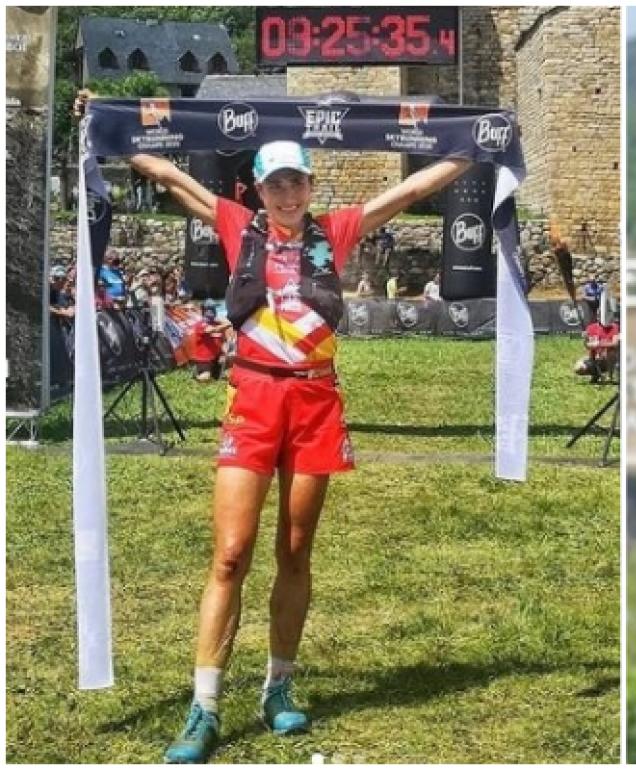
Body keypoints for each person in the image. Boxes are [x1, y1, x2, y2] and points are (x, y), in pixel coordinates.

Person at [75, 90, 471, 763]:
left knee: (294, 550)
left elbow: (408, 191)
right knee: (230, 553)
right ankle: (203, 707)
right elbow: (168, 176)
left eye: (297, 181)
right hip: (255, 400)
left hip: (316, 404)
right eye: (275, 183)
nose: (287, 194)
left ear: (311, 186)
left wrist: (479, 146)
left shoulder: (336, 231)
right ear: (257, 189)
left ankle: (278, 687)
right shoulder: (237, 224)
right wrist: (104, 125)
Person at [189, 304, 230, 382]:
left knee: (226, 374)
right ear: (204, 311)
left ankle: (218, 372)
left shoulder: (218, 324)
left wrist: (224, 354)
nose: (212, 312)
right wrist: (226, 324)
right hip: (204, 359)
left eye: (213, 309)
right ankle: (197, 373)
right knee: (206, 378)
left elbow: (224, 341)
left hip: (216, 358)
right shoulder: (201, 324)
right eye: (209, 309)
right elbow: (211, 330)